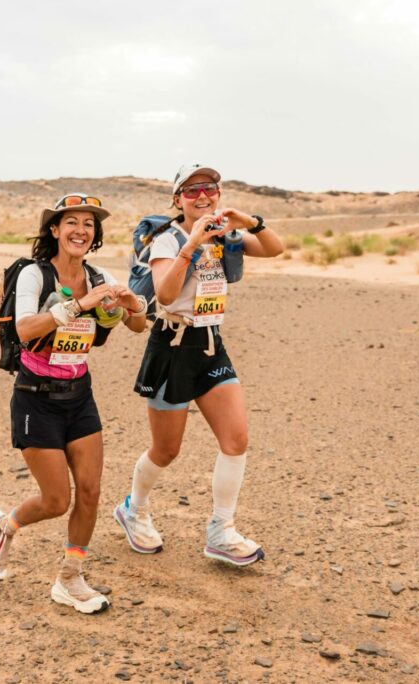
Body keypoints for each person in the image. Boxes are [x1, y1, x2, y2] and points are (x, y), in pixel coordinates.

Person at [0, 193, 146, 614]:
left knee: (90, 491)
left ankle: (70, 579)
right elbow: (24, 329)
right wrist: (80, 304)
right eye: (71, 222)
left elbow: (139, 326)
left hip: (79, 395)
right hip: (35, 397)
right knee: (56, 500)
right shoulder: (34, 274)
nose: (80, 230)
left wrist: (131, 306)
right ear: (54, 230)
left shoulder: (99, 275)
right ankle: (4, 526)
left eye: (89, 224)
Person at [113, 164, 284, 566]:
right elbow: (165, 295)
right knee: (166, 450)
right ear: (177, 200)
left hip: (209, 344)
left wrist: (250, 222)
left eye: (210, 188)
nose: (203, 195)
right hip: (172, 345)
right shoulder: (167, 240)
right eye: (191, 191)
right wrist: (190, 245)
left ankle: (221, 530)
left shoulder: (225, 235)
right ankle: (133, 509)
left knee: (236, 440)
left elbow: (274, 248)